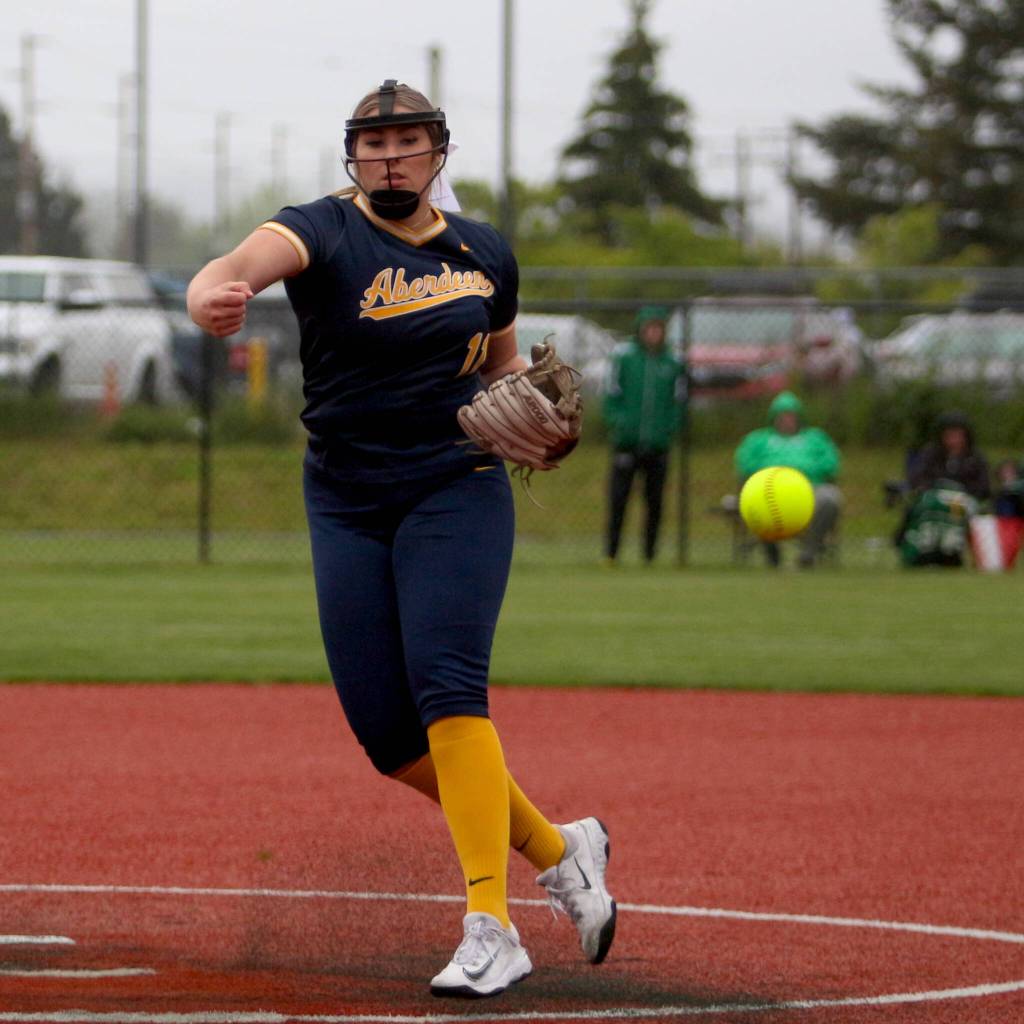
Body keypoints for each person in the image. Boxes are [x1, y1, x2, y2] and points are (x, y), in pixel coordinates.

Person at [186, 80, 615, 999]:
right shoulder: (324, 230)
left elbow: (503, 369)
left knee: (449, 688)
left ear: (437, 153)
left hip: (454, 485)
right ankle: (561, 849)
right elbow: (236, 264)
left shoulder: (484, 251)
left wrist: (536, 416)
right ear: (352, 155)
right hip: (344, 494)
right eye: (372, 141)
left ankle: (490, 925)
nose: (389, 155)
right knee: (387, 734)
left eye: (406, 139)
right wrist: (210, 296)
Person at [603, 305, 685, 564]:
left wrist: (668, 428)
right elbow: (611, 395)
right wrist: (619, 422)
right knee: (619, 499)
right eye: (648, 328)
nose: (653, 333)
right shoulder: (625, 358)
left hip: (658, 445)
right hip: (626, 443)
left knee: (655, 502)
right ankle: (611, 553)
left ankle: (649, 554)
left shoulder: (672, 363)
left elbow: (679, 402)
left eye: (658, 328)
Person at [734, 390, 842, 568]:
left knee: (830, 497)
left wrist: (801, 471)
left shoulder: (815, 438)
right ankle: (771, 548)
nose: (787, 420)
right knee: (754, 500)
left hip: (809, 490)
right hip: (767, 489)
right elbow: (744, 464)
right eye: (782, 416)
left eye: (791, 415)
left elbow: (831, 464)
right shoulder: (758, 439)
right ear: (773, 417)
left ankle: (808, 553)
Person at [896, 410, 991, 567]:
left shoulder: (975, 458)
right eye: (949, 435)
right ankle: (923, 552)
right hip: (934, 497)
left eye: (957, 435)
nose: (953, 439)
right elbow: (918, 478)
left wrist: (960, 491)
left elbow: (983, 487)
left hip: (963, 501)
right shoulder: (931, 455)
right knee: (929, 506)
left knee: (952, 508)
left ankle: (950, 553)